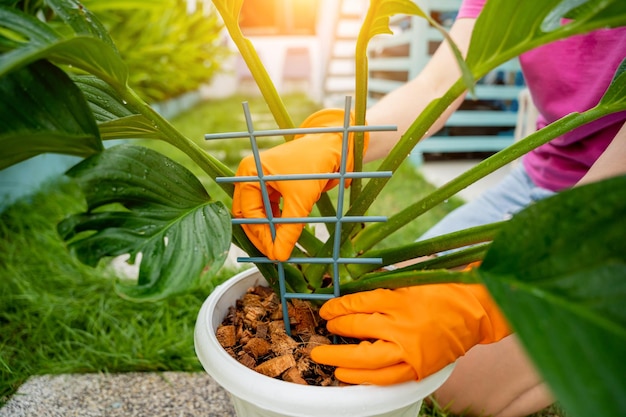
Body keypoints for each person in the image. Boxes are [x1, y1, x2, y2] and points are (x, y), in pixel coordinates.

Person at [232, 1, 626, 416]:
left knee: (461, 387)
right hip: (540, 178)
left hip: (612, 208)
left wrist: (488, 300)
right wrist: (339, 143)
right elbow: (437, 84)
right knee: (392, 303)